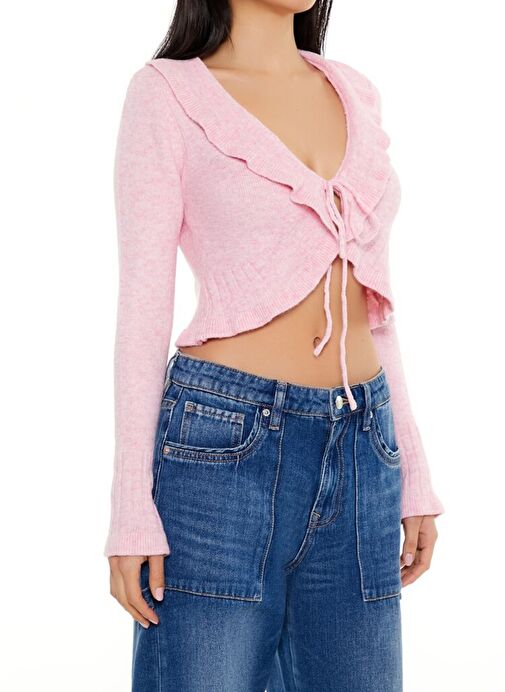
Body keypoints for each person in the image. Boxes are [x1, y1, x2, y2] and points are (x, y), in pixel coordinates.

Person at [104, 1, 445, 689]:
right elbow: (143, 308)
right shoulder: (165, 94)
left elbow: (374, 308)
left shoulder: (352, 90)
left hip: (362, 443)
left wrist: (411, 468)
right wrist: (130, 508)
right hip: (222, 453)